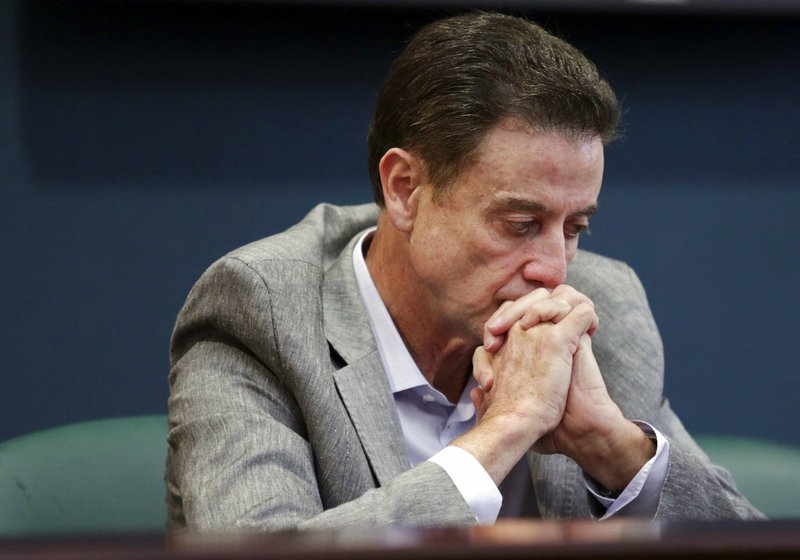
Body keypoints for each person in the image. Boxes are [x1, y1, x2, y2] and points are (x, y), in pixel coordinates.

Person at [166, 12, 762, 531]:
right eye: (520, 222)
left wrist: (612, 448)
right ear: (406, 190)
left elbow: (753, 547)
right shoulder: (262, 309)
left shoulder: (603, 306)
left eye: (575, 227)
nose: (555, 270)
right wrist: (506, 431)